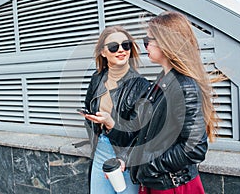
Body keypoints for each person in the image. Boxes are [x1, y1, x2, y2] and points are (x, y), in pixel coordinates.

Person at [87, 11, 224, 194]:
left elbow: (194, 148)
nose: (146, 45)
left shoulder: (184, 86)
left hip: (172, 186)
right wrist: (127, 159)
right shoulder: (163, 81)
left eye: (149, 40)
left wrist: (146, 165)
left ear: (167, 42)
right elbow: (145, 133)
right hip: (157, 182)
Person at [82, 25, 150, 194]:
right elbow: (89, 107)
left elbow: (139, 132)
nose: (121, 50)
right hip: (102, 149)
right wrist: (96, 127)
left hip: (127, 155)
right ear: (103, 53)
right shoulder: (97, 79)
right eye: (114, 47)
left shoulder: (141, 85)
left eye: (125, 45)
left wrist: (111, 123)